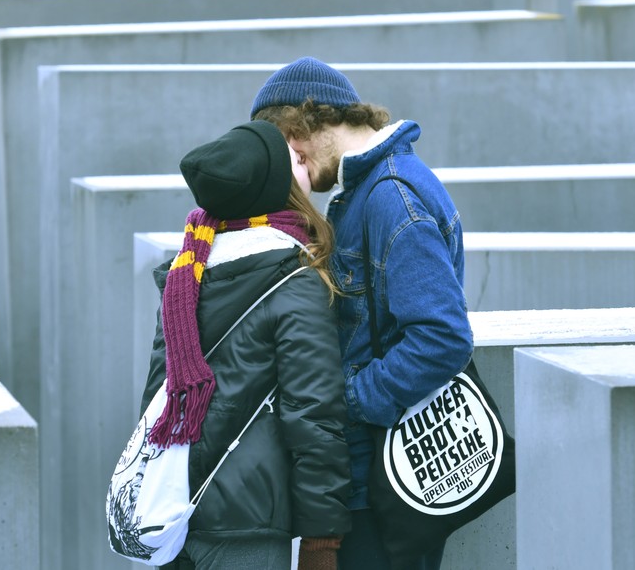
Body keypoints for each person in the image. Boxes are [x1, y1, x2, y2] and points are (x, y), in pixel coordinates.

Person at [250, 57, 474, 569]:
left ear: (297, 129)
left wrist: (345, 399)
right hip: (373, 476)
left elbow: (443, 338)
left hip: (383, 483)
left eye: (279, 149)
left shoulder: (392, 196)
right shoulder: (369, 191)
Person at [139, 120, 352, 570]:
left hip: (175, 516)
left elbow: (155, 401)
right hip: (248, 524)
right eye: (292, 159)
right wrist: (321, 540)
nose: (304, 164)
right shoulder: (295, 282)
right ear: (274, 186)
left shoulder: (186, 276)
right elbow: (313, 415)